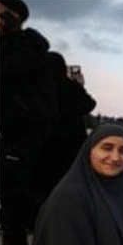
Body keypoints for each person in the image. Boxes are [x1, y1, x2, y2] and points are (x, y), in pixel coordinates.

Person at [0, 0, 57, 245]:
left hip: (27, 127)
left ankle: (16, 242)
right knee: (12, 184)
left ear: (14, 17)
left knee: (16, 184)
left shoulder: (30, 45)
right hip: (5, 127)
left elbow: (7, 69)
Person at [38, 52, 97, 199]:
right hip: (69, 148)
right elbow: (88, 104)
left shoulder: (37, 87)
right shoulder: (66, 87)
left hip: (41, 148)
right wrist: (78, 85)